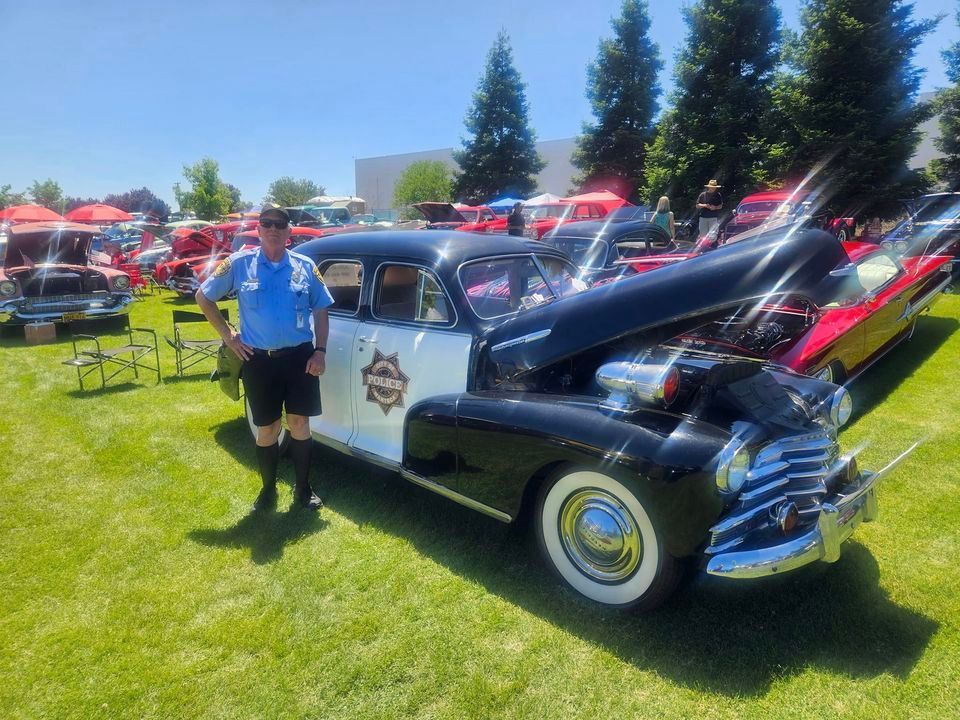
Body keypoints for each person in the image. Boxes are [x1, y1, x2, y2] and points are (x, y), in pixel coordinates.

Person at [196, 203, 334, 512]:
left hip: (300, 359)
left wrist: (321, 351)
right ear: (258, 230)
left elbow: (321, 309)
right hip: (260, 361)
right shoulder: (239, 264)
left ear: (288, 232)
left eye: (280, 224)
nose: (273, 228)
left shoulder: (305, 266)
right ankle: (268, 490)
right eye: (267, 223)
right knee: (268, 429)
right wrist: (228, 335)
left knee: (299, 425)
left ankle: (303, 490)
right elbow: (203, 297)